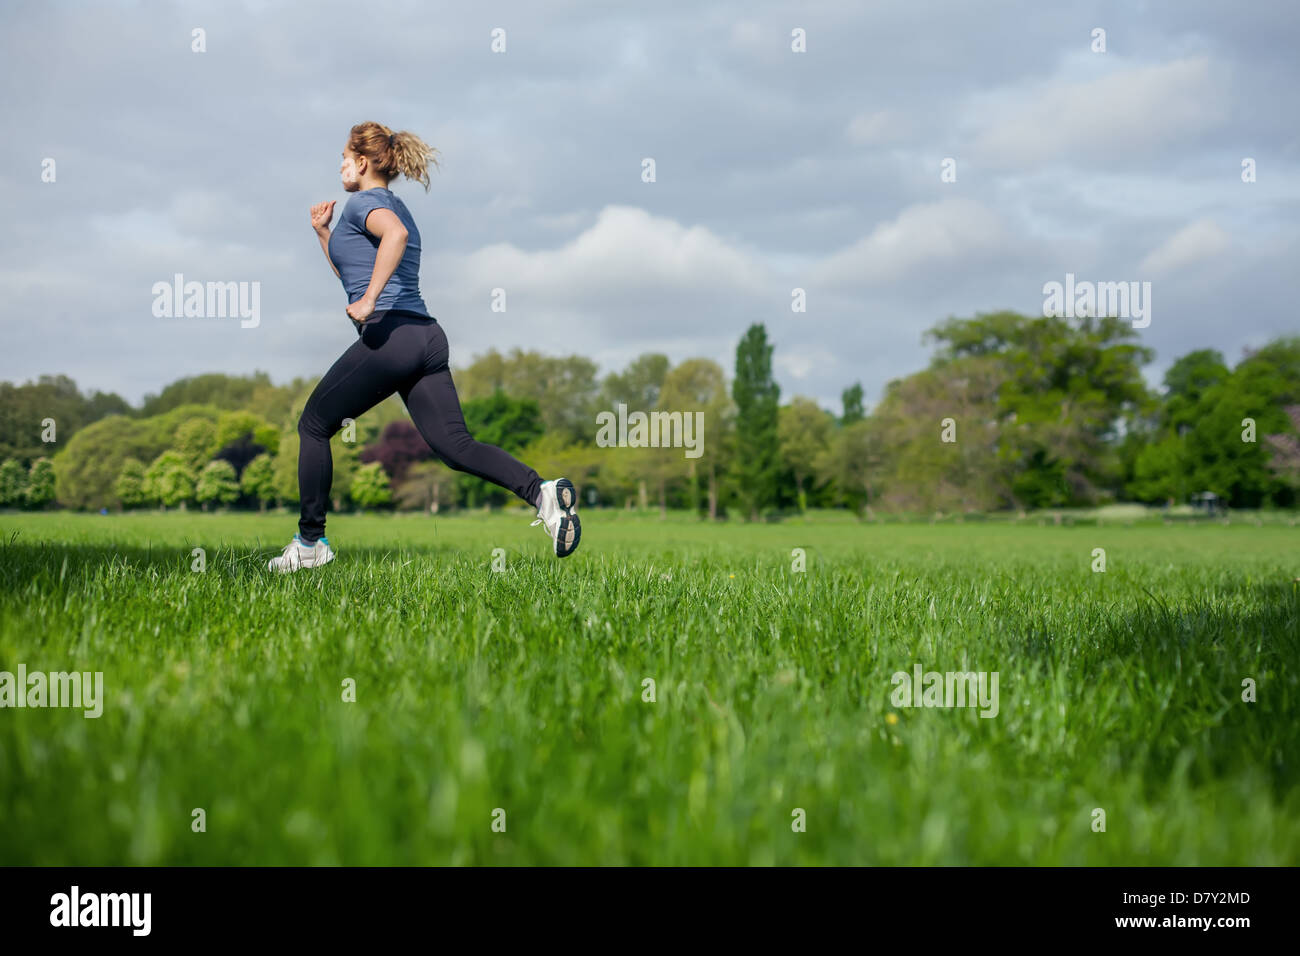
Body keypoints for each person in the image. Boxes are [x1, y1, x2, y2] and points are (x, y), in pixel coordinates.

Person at [269, 122, 580, 573]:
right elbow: (354, 275)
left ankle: (311, 544)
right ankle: (542, 493)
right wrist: (324, 234)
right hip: (426, 337)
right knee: (456, 446)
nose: (339, 165)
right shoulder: (390, 206)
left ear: (362, 162)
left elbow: (389, 243)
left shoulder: (364, 203)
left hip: (392, 334)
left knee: (314, 425)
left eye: (343, 157)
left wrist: (371, 301)